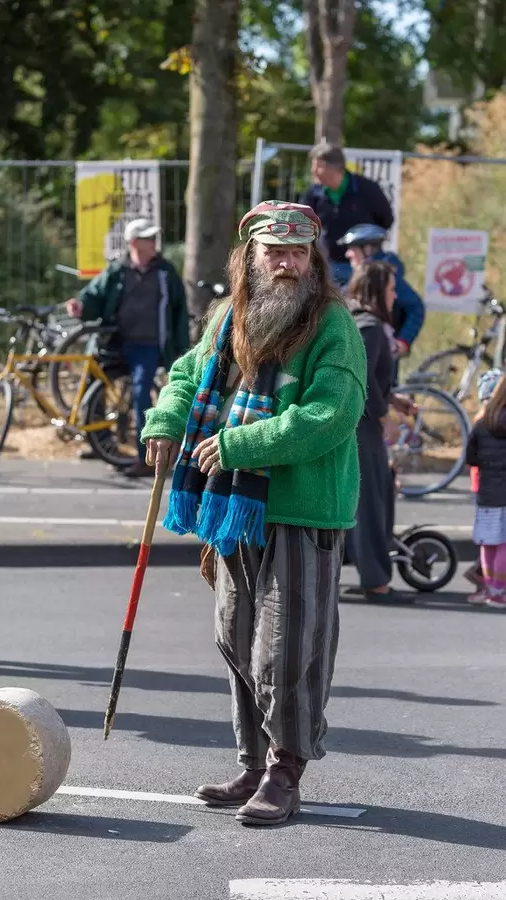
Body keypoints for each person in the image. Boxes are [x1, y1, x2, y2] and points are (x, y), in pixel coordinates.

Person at [142, 200, 367, 826]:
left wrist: (242, 444)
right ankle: (251, 761)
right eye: (275, 252)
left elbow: (331, 415)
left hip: (304, 509)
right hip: (234, 507)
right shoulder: (228, 317)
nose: (287, 264)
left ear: (314, 259)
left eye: (298, 253)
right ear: (252, 258)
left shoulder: (332, 328)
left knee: (286, 648)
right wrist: (164, 418)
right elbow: (187, 376)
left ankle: (285, 769)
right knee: (235, 635)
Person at [66, 218, 189, 477]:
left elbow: (179, 313)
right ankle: (99, 443)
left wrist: (180, 352)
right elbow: (93, 295)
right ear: (134, 243)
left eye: (155, 237)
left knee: (141, 396)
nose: (155, 242)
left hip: (149, 346)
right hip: (117, 343)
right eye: (148, 238)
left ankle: (146, 458)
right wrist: (80, 305)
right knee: (94, 386)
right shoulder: (117, 270)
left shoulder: (166, 272)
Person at [343, 260, 416, 605]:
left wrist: (393, 399)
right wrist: (384, 411)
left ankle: (360, 570)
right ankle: (376, 582)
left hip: (354, 425)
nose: (395, 294)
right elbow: (364, 380)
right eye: (390, 288)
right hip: (363, 428)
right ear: (376, 290)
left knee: (361, 497)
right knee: (372, 500)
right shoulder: (370, 326)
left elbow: (368, 377)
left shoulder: (355, 319)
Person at [301, 144, 394, 287]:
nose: (313, 171)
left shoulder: (367, 189)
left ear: (335, 167)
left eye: (318, 166)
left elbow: (386, 220)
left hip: (364, 265)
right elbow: (302, 222)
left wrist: (366, 244)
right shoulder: (313, 194)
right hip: (329, 266)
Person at [337, 223, 425, 361]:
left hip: (381, 349)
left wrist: (403, 341)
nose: (348, 254)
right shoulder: (362, 273)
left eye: (352, 248)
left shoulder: (384, 276)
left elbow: (416, 306)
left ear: (368, 249)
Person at [465, 369, 506, 608]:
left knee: (488, 543)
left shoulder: (482, 423)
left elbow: (471, 457)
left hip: (487, 494)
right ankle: (500, 591)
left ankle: (490, 587)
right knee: (504, 544)